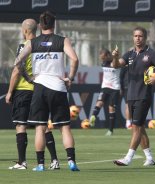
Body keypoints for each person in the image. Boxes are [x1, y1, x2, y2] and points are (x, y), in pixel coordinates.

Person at [14, 11, 79, 171]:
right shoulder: (63, 40)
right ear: (54, 24)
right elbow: (75, 59)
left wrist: (29, 78)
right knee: (64, 127)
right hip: (58, 87)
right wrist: (70, 77)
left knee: (40, 128)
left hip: (40, 88)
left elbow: (18, 62)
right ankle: (71, 161)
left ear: (40, 25)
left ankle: (41, 164)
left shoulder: (32, 43)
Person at [5, 18, 59, 170]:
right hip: (41, 90)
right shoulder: (44, 46)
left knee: (21, 125)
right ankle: (55, 160)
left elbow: (17, 70)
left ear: (26, 31)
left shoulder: (24, 46)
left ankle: (22, 162)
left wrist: (9, 92)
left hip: (23, 90)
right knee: (43, 126)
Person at [111, 26, 155, 166]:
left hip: (144, 96)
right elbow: (116, 66)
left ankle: (128, 158)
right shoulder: (130, 54)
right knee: (140, 127)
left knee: (135, 127)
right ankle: (149, 158)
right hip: (131, 95)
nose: (138, 38)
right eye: (135, 36)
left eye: (140, 36)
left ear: (145, 37)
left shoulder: (151, 54)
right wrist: (115, 57)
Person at [90, 48, 121, 136]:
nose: (102, 59)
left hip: (115, 88)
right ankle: (93, 116)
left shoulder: (116, 62)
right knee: (99, 103)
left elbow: (115, 65)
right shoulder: (104, 62)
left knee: (111, 108)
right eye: (101, 58)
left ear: (108, 55)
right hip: (105, 87)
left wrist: (115, 56)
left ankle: (110, 130)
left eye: (103, 57)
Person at [120, 64, 132, 129]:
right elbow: (121, 76)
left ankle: (136, 123)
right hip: (127, 86)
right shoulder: (125, 63)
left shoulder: (138, 60)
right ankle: (128, 123)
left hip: (136, 86)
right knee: (128, 104)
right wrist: (121, 88)